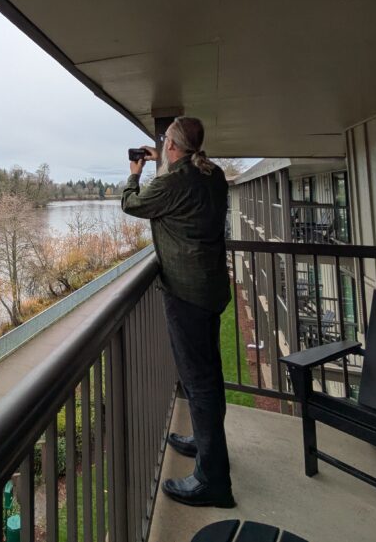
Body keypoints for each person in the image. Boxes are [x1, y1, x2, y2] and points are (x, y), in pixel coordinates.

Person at [121, 116, 235, 508]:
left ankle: (213, 481)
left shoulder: (172, 181)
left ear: (172, 146)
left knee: (199, 382)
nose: (162, 144)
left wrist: (135, 173)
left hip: (186, 293)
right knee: (210, 375)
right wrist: (165, 159)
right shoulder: (213, 173)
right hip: (211, 288)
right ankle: (207, 447)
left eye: (165, 140)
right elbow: (186, 188)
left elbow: (131, 205)